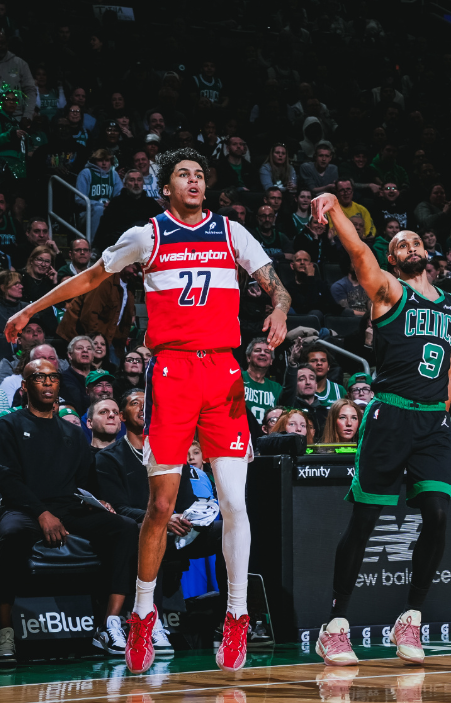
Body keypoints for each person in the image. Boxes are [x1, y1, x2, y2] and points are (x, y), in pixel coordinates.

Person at [4, 147, 291, 674]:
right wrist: (29, 308)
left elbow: (279, 286)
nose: (195, 181)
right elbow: (90, 277)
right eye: (184, 174)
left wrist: (278, 308)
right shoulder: (148, 235)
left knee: (235, 502)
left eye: (200, 174)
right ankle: (141, 613)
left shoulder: (231, 232)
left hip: (223, 372)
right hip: (173, 372)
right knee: (160, 506)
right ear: (166, 188)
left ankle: (237, 615)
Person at [310, 193, 451, 667]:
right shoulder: (389, 291)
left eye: (416, 241)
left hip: (432, 421)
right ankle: (335, 625)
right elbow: (359, 251)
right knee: (365, 522)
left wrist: (445, 406)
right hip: (390, 415)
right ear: (393, 260)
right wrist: (336, 210)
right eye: (401, 244)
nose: (411, 246)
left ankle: (411, 617)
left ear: (428, 251)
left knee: (437, 515)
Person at [0, 359, 138, 664]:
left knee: (125, 527)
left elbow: (84, 482)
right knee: (10, 532)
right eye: (39, 377)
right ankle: (4, 630)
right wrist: (41, 513)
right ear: (24, 386)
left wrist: (99, 503)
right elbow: (7, 479)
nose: (48, 382)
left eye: (53, 377)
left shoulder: (73, 433)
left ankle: (109, 624)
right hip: (26, 508)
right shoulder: (9, 425)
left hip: (69, 508)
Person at [96, 388, 224, 654]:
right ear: (122, 416)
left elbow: (188, 500)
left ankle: (229, 617)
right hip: (142, 530)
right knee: (150, 533)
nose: (143, 408)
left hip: (180, 529)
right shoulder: (108, 458)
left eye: (148, 403)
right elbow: (118, 509)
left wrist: (195, 515)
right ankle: (149, 619)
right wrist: (163, 519)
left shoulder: (173, 453)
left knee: (227, 532)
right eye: (135, 403)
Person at [242, 337, 282, 425]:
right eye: (258, 350)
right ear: (248, 357)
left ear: (271, 361)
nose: (262, 353)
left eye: (267, 352)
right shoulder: (238, 378)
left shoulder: (277, 388)